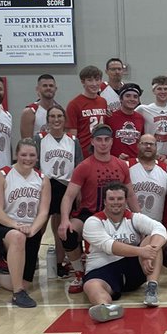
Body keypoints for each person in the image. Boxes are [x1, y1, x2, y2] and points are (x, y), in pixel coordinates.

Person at [58, 124, 133, 293]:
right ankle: (79, 273)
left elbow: (131, 195)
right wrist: (64, 220)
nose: (103, 143)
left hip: (115, 214)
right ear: (92, 142)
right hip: (90, 213)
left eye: (107, 140)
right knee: (67, 233)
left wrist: (139, 216)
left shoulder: (121, 165)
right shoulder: (84, 166)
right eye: (99, 140)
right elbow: (69, 196)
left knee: (140, 232)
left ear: (112, 142)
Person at [0, 138, 50, 308]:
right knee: (18, 237)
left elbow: (43, 212)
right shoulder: (2, 175)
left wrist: (33, 229)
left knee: (24, 282)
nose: (28, 158)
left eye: (32, 155)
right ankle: (18, 295)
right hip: (2, 226)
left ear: (37, 156)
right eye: (23, 154)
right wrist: (16, 226)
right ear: (16, 155)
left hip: (29, 229)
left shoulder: (42, 179)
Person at [81, 183, 167, 322]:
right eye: (112, 199)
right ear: (104, 201)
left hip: (133, 268)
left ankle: (151, 288)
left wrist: (151, 251)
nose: (116, 202)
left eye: (120, 199)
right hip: (103, 268)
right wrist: (142, 251)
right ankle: (105, 308)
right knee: (91, 286)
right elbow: (110, 246)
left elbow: (160, 228)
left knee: (152, 239)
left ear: (126, 201)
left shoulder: (134, 218)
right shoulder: (93, 222)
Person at [38, 104, 78, 278]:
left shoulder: (73, 140)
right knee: (39, 225)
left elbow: (78, 166)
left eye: (59, 116)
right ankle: (29, 260)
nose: (56, 119)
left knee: (61, 226)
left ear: (64, 119)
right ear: (47, 120)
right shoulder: (38, 139)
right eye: (52, 116)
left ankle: (59, 263)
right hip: (45, 185)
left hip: (66, 186)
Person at [66, 65, 112, 154]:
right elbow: (72, 136)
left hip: (101, 151)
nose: (94, 84)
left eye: (97, 79)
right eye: (90, 80)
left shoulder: (103, 101)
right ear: (83, 82)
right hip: (83, 152)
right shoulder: (74, 104)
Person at [138, 75, 167, 156]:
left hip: (166, 155)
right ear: (153, 91)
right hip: (148, 154)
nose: (162, 92)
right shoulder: (143, 109)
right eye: (159, 89)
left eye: (165, 89)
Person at [108, 83, 146, 161]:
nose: (132, 99)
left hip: (135, 162)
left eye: (135, 97)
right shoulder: (110, 117)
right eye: (128, 96)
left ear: (138, 100)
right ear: (121, 99)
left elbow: (140, 142)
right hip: (115, 161)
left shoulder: (140, 118)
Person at [20, 73, 60, 138]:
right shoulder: (30, 112)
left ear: (55, 89)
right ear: (37, 89)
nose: (48, 88)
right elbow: (26, 142)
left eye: (51, 86)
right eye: (45, 86)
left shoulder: (60, 111)